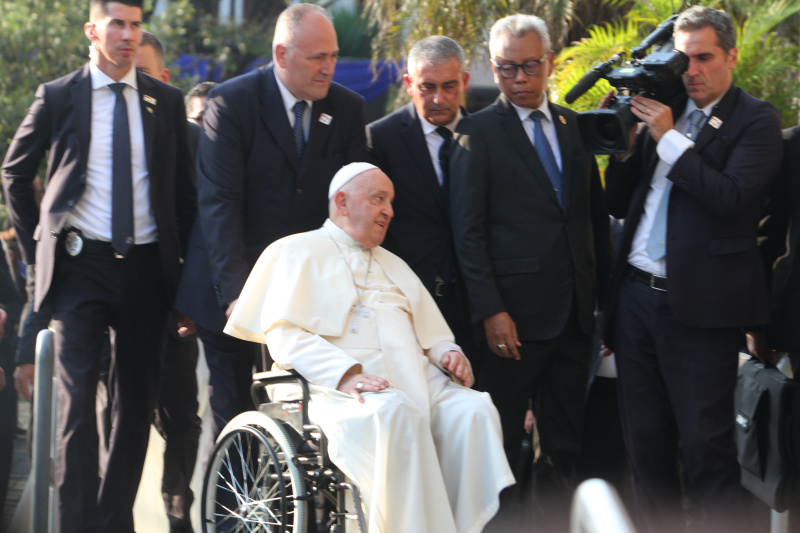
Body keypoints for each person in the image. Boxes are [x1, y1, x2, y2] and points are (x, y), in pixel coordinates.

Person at [225, 162, 514, 533]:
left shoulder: (395, 264)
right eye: (379, 199)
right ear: (342, 202)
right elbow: (287, 336)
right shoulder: (294, 251)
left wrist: (447, 352)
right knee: (395, 413)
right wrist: (344, 375)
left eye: (391, 202)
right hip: (333, 388)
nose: (389, 211)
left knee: (474, 410)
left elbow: (432, 333)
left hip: (419, 380)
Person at [1, 0, 196, 529]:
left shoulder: (165, 100)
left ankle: (113, 522)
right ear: (93, 30)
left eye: (135, 25)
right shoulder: (60, 96)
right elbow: (14, 172)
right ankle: (77, 522)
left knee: (134, 408)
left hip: (147, 270)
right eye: (117, 24)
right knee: (75, 405)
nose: (128, 36)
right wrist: (38, 239)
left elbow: (186, 198)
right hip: (79, 267)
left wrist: (186, 281)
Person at [601, 6, 783, 532]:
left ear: (731, 55)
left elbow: (730, 198)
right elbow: (616, 200)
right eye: (684, 59)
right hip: (635, 298)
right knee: (646, 450)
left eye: (704, 58)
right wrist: (626, 144)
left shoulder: (756, 118)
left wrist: (668, 138)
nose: (692, 71)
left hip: (701, 311)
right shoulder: (664, 108)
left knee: (708, 450)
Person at [174, 2, 368, 445]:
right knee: (237, 424)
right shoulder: (231, 103)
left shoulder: (347, 108)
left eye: (334, 56)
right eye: (318, 57)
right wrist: (241, 297)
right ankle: (232, 514)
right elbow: (220, 205)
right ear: (282, 54)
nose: (329, 68)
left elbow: (352, 205)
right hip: (230, 289)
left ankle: (299, 515)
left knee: (306, 430)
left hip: (310, 298)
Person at [449, 13, 612, 516]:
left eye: (529, 67)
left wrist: (602, 305)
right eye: (505, 69)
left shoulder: (574, 126)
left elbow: (593, 221)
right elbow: (467, 233)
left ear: (550, 63)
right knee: (500, 451)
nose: (518, 79)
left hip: (573, 320)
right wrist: (490, 310)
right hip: (512, 323)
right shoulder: (476, 132)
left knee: (562, 447)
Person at [366, 36, 479, 376]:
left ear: (465, 81)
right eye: (427, 87)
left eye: (449, 86)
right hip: (409, 309)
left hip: (477, 308)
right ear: (409, 84)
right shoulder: (379, 139)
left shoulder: (490, 136)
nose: (438, 98)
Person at [135, 31, 201, 533]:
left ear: (164, 80)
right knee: (121, 423)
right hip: (114, 309)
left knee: (181, 420)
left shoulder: (195, 141)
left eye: (142, 75)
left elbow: (203, 222)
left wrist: (192, 298)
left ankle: (179, 517)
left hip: (174, 304)